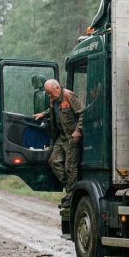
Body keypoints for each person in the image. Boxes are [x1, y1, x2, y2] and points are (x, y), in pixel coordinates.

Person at [33, 79, 84, 209]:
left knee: (70, 168)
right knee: (53, 161)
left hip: (71, 137)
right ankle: (71, 190)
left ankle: (71, 196)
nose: (50, 96)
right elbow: (53, 112)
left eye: (50, 93)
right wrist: (43, 114)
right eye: (48, 94)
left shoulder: (68, 96)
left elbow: (83, 112)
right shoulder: (53, 98)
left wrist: (78, 131)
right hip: (62, 137)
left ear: (57, 88)